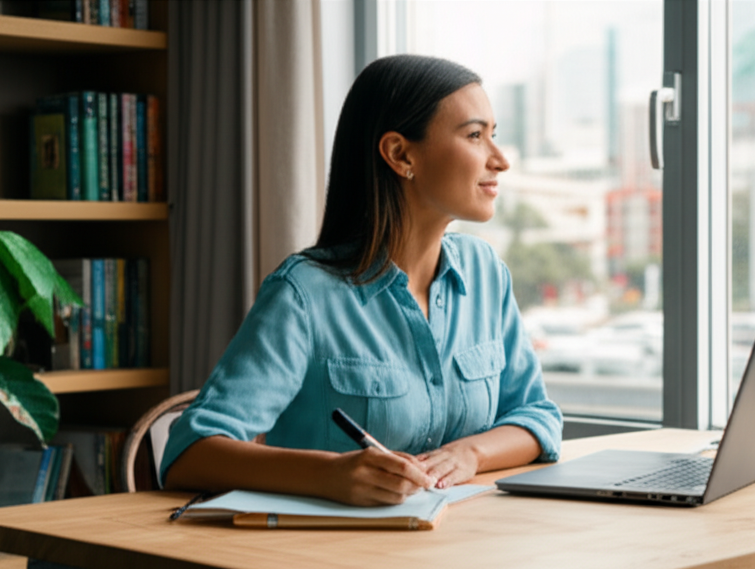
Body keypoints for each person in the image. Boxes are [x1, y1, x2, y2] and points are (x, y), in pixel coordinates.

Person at [161, 54, 562, 506]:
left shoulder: (485, 272)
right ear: (399, 154)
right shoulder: (303, 294)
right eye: (474, 135)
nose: (500, 160)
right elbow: (188, 454)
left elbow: (536, 416)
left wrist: (469, 453)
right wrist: (329, 475)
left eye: (494, 135)